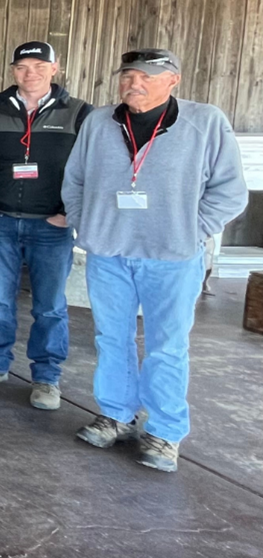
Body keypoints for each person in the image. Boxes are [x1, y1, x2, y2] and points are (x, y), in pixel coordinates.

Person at [63, 48, 247, 473]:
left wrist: (192, 229)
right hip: (109, 252)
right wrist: (84, 225)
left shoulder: (205, 122)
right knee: (111, 337)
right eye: (128, 76)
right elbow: (74, 180)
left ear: (173, 80)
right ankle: (117, 414)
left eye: (146, 77)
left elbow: (231, 192)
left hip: (172, 257)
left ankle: (164, 432)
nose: (134, 85)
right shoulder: (99, 122)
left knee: (167, 345)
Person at [0, 42, 94, 411]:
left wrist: (71, 213)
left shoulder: (79, 113)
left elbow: (91, 167)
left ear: (55, 69)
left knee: (50, 306)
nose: (30, 73)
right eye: (22, 66)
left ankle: (47, 377)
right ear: (12, 71)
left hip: (52, 225)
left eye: (39, 66)